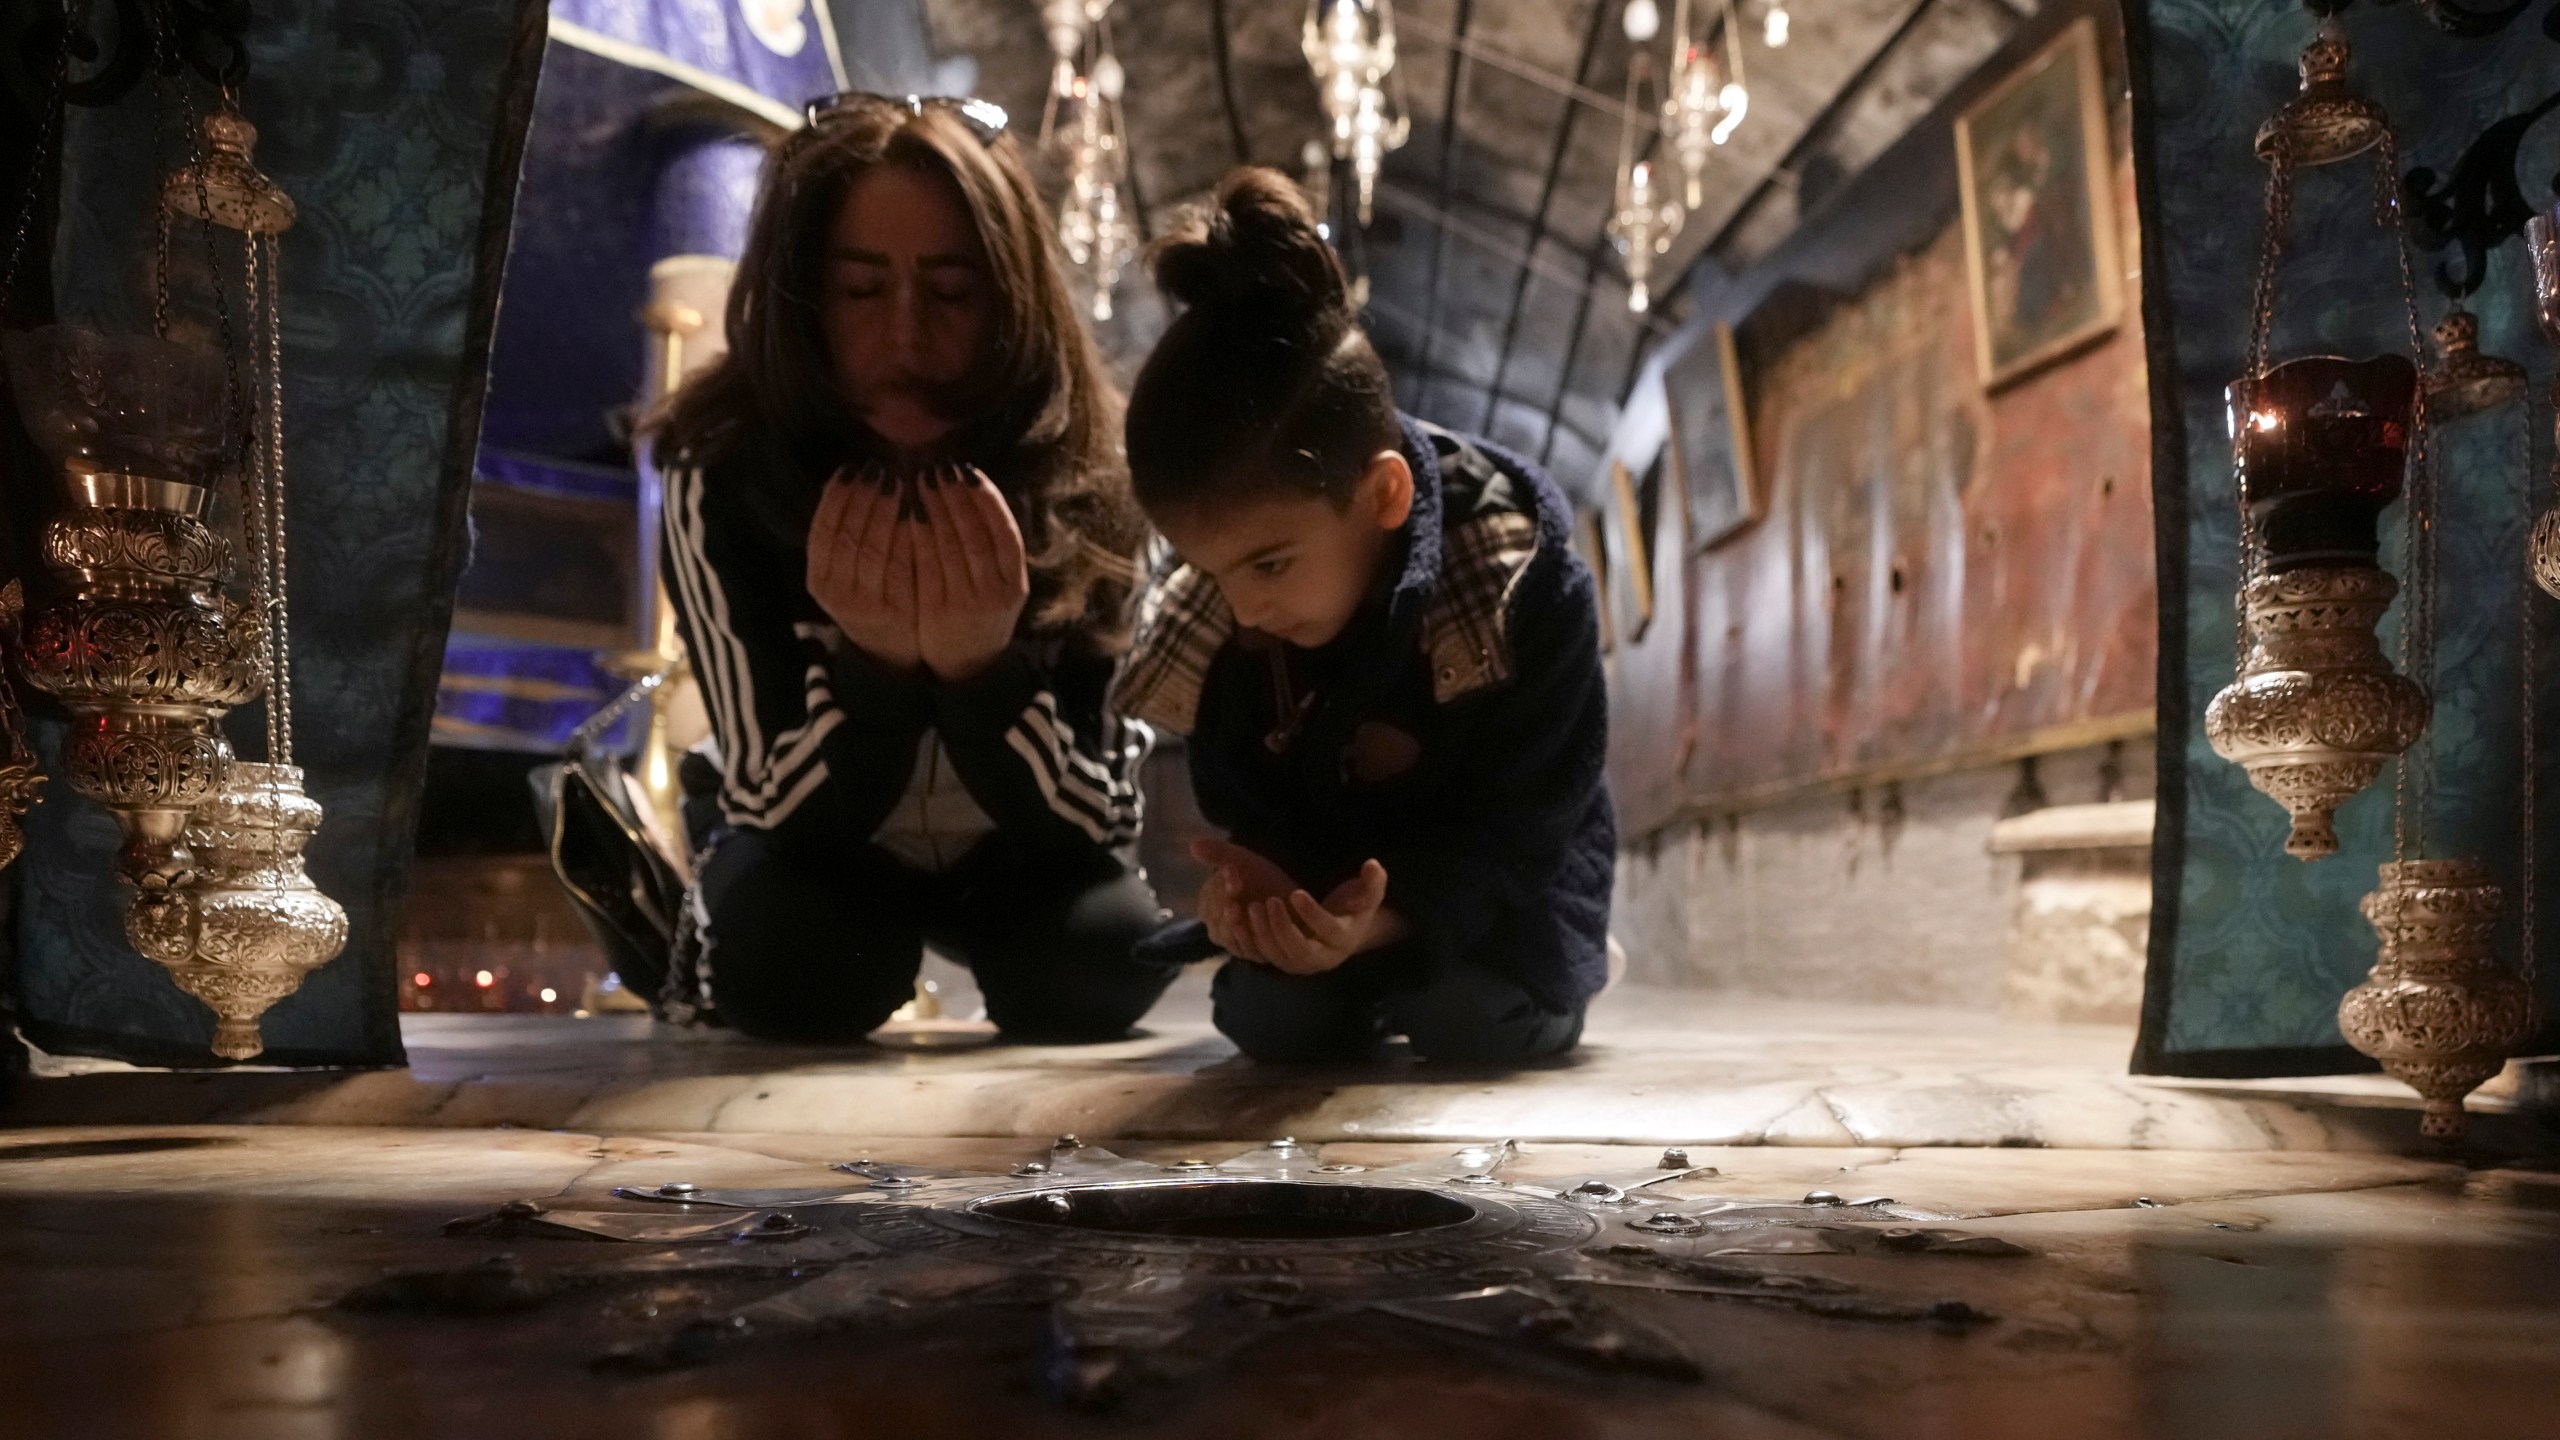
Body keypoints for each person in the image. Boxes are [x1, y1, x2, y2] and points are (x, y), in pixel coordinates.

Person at [641, 94, 1175, 1044]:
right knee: (794, 971)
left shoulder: (1097, 478)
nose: (906, 339)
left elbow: (1103, 807)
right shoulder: (723, 473)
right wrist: (879, 672)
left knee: (1100, 964)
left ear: (1012, 297)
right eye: (859, 291)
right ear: (803, 294)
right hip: (820, 856)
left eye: (952, 291)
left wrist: (981, 675)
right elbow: (769, 797)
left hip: (1021, 851)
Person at [1114, 168, 1615, 1064]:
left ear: (1384, 492)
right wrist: (1260, 895)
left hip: (1505, 890)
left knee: (1470, 1022)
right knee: (1273, 1025)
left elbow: (1530, 823)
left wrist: (1384, 922)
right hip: (1333, 899)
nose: (1245, 609)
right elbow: (1245, 801)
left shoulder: (1523, 585)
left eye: (1269, 564)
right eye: (1211, 571)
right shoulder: (1225, 609)